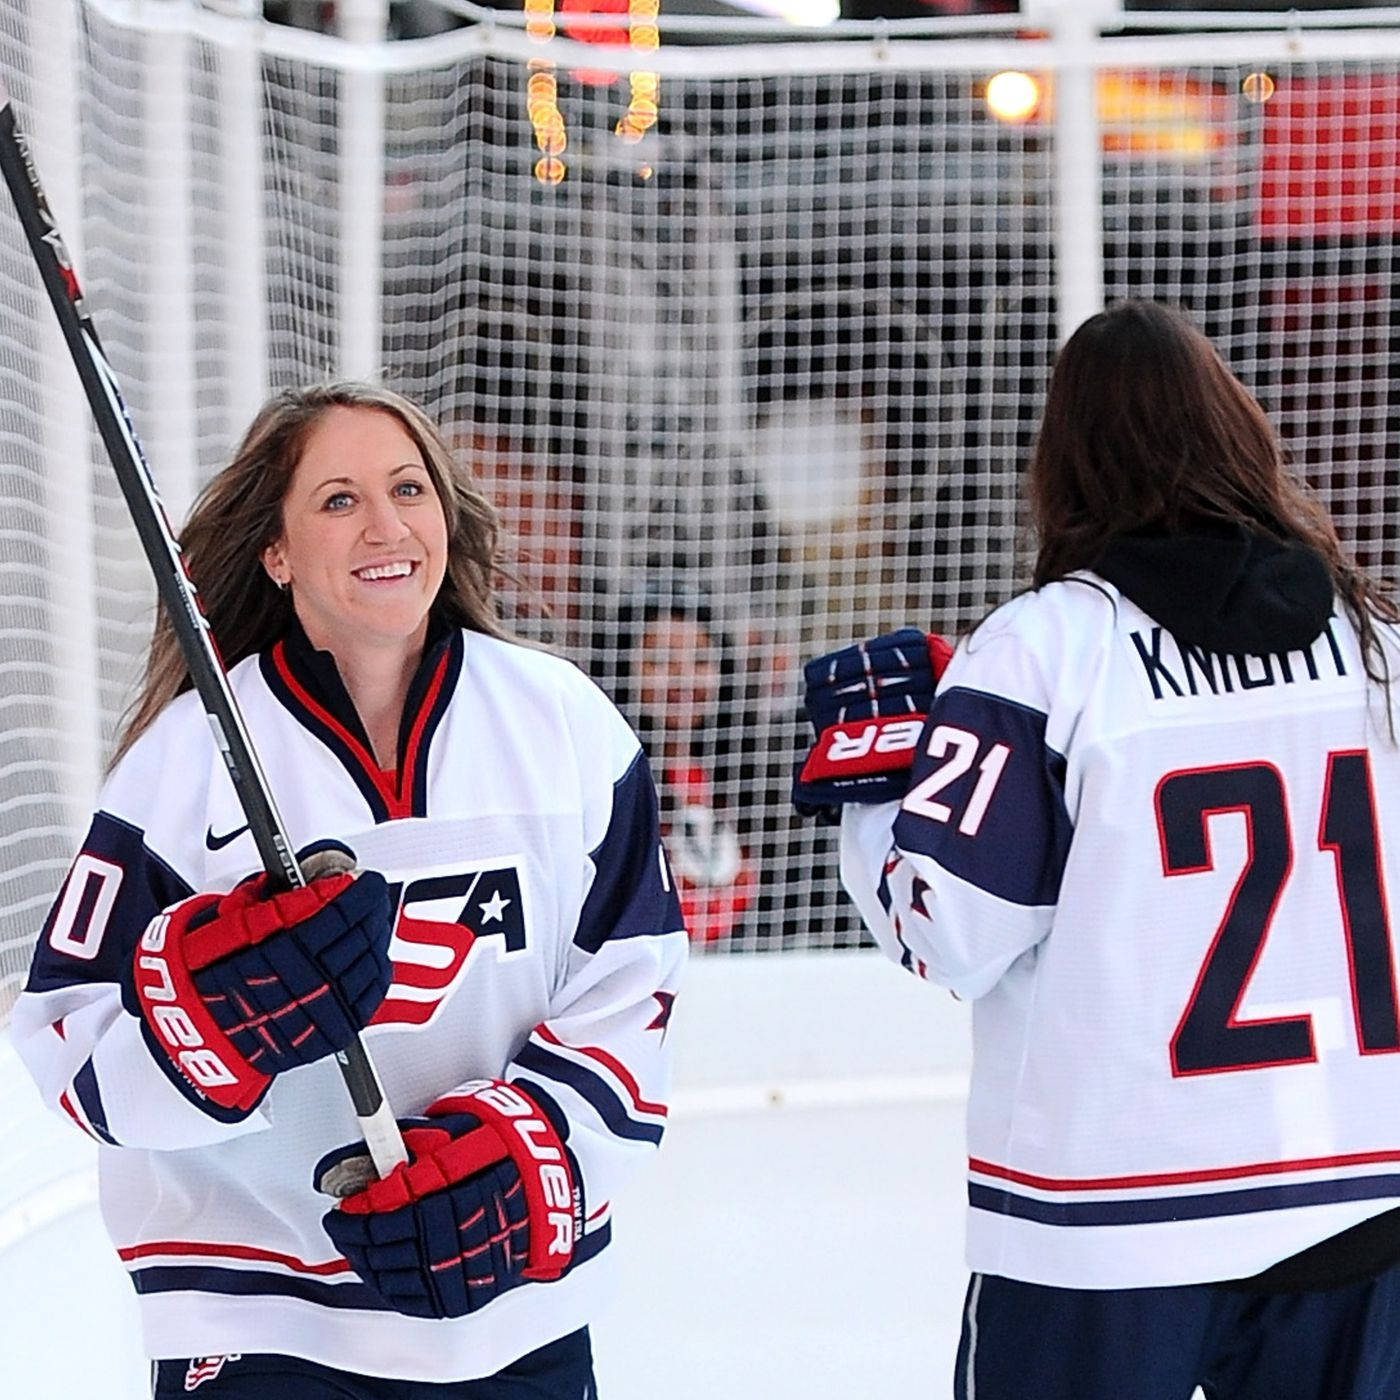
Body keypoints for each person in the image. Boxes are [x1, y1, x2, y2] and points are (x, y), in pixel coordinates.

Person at [12, 382, 687, 1398]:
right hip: (259, 1317)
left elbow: (634, 989)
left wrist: (522, 1158)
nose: (386, 525)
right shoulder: (185, 763)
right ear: (275, 553)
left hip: (510, 1305)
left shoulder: (562, 723)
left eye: (408, 488)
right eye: (338, 499)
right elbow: (69, 1041)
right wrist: (210, 1029)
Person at [794, 300, 1400, 1400]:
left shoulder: (1042, 652)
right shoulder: (1375, 645)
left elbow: (949, 934)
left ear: (1063, 460)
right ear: (1241, 434)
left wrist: (876, 789)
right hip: (1359, 1192)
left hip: (1108, 1215)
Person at [609, 585, 755, 944]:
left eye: (701, 661)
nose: (683, 678)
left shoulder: (751, 773)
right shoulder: (611, 775)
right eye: (660, 661)